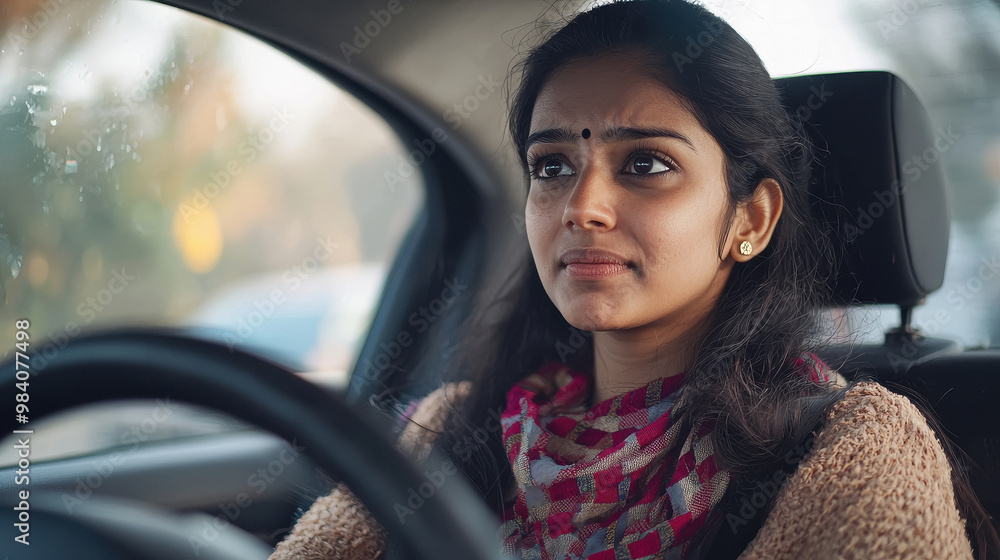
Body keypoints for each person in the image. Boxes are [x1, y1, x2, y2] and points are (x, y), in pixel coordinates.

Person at [270, 1, 996, 558]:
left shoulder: (847, 448)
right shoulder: (446, 429)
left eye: (645, 164)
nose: (581, 208)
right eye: (552, 167)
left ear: (750, 219)